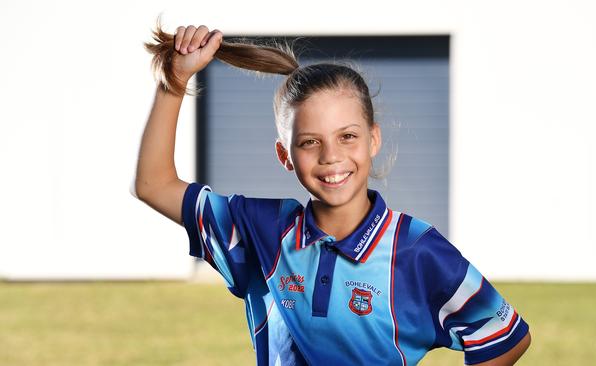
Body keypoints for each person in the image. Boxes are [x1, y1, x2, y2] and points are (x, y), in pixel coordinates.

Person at [135, 18, 531, 366]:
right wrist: (175, 79)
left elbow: (505, 337)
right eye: (309, 142)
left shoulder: (416, 248)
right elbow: (153, 184)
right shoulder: (261, 230)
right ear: (284, 155)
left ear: (372, 139)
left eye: (347, 137)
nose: (331, 157)